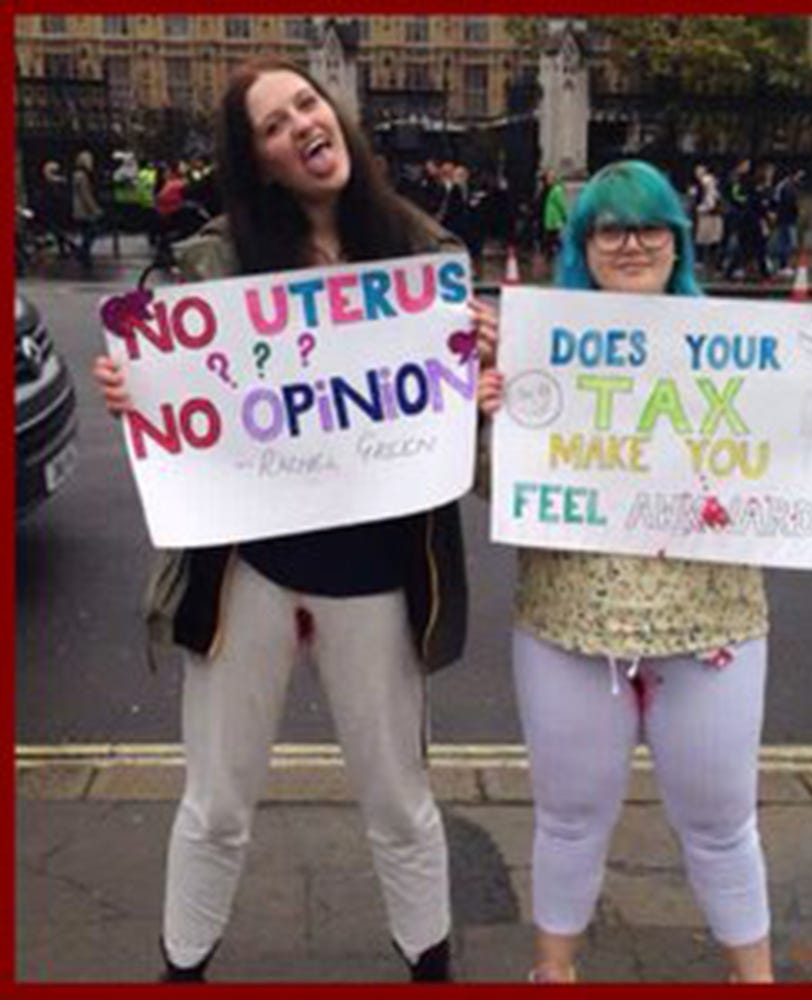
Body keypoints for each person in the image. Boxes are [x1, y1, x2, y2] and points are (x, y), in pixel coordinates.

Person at [92, 57, 480, 983]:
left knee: (399, 800)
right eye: (273, 124)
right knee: (217, 803)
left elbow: (467, 457)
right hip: (248, 574)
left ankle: (430, 964)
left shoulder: (427, 258)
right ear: (258, 160)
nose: (300, 124)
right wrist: (134, 389)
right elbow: (181, 407)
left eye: (306, 103)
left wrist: (484, 385)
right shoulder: (211, 265)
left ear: (335, 118)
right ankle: (182, 968)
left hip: (380, 576)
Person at [476, 160, 812, 984]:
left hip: (712, 625)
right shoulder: (534, 346)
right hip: (568, 622)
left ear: (677, 238)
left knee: (722, 821)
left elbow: (781, 456)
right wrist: (489, 420)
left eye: (651, 226)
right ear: (583, 244)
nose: (633, 244)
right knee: (569, 817)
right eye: (611, 229)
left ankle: (754, 975)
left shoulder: (741, 344)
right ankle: (553, 971)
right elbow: (496, 490)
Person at [71, 148, 103, 270]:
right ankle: (82, 253)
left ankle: (83, 253)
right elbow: (86, 194)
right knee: (91, 232)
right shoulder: (82, 176)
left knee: (87, 233)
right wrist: (94, 209)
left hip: (79, 209)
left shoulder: (77, 175)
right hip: (84, 210)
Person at [691, 163, 723, 272]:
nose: (697, 173)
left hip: (707, 214)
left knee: (704, 237)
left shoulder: (706, 181)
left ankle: (702, 261)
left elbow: (709, 199)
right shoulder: (705, 183)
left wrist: (701, 208)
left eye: (700, 170)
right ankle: (710, 262)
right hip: (711, 213)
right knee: (710, 238)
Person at [771, 169, 804, 275]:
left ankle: (781, 264)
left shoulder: (783, 185)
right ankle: (783, 265)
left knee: (783, 241)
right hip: (788, 219)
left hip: (783, 218)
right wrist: (797, 212)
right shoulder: (788, 187)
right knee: (788, 243)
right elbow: (791, 203)